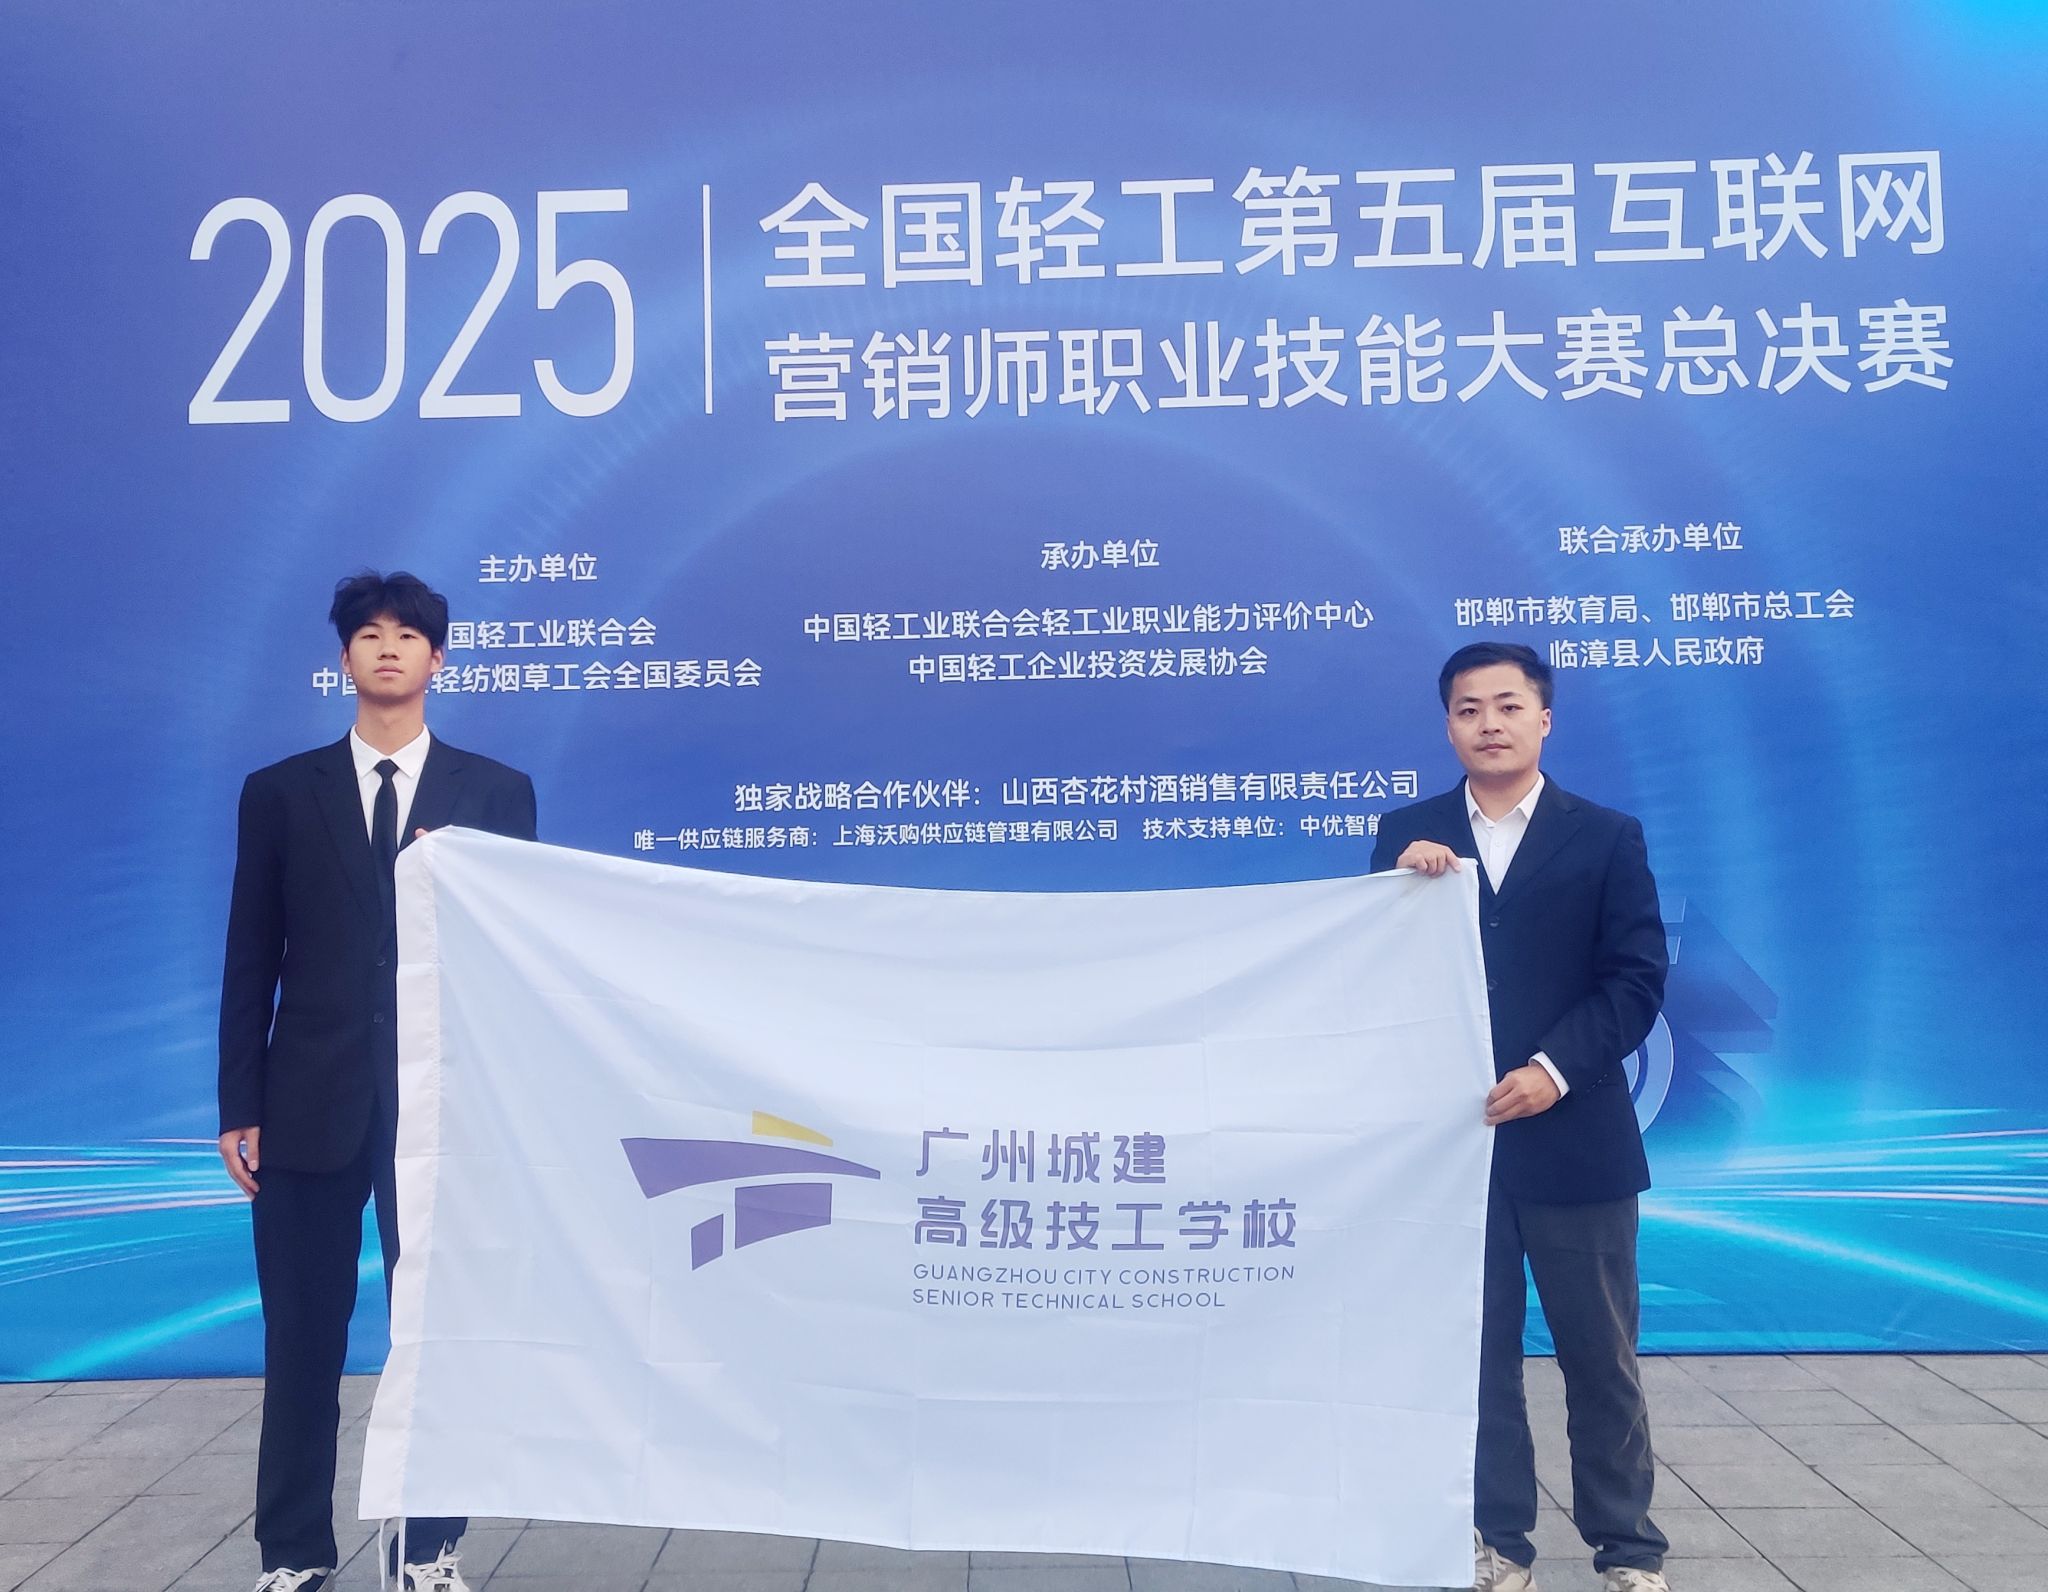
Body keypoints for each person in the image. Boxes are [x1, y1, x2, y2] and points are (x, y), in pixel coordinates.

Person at [218, 572, 537, 1592]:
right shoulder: (281, 791)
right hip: (307, 1101)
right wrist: (239, 1103)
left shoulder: (494, 793)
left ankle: (428, 1547)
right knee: (301, 1339)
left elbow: (517, 955)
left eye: (407, 634)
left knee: (438, 1336)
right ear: (343, 658)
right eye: (368, 634)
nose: (387, 647)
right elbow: (251, 954)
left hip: (442, 1107)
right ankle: (292, 1554)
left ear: (438, 658)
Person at [1370, 642, 1671, 1592]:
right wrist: (1395, 898)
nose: (1489, 724)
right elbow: (1374, 979)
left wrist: (1554, 1069)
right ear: (1448, 726)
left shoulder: (1606, 835)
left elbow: (1635, 980)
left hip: (1575, 1139)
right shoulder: (1407, 835)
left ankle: (1628, 1552)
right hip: (1453, 1149)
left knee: (1600, 1358)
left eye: (1507, 705)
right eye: (1469, 709)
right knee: (1477, 1358)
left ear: (1544, 719)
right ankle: (1498, 1545)